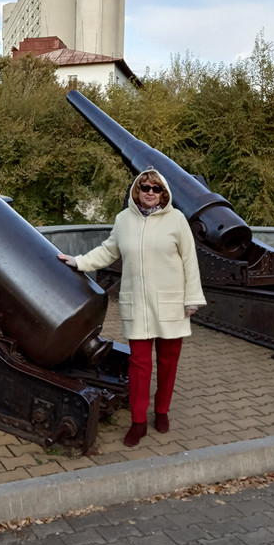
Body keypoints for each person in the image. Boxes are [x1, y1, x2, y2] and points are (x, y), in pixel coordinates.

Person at [58, 168, 206, 447]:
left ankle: (161, 412)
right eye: (145, 187)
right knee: (139, 364)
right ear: (136, 190)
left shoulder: (176, 220)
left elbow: (190, 261)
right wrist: (78, 262)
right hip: (137, 302)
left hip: (171, 303)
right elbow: (107, 250)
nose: (150, 192)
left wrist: (192, 299)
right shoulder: (124, 220)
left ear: (164, 193)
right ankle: (138, 421)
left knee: (167, 361)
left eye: (156, 188)